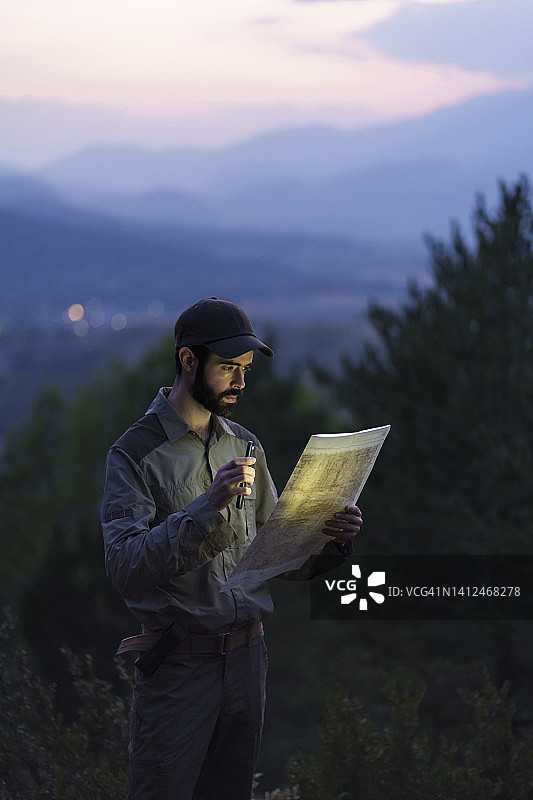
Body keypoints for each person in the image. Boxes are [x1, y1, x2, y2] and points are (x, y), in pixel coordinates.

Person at [101, 297, 363, 800]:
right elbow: (125, 566)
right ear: (187, 361)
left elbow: (272, 554)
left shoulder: (244, 444)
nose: (241, 382)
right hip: (181, 667)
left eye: (245, 370)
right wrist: (206, 507)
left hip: (248, 659)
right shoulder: (134, 454)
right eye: (229, 368)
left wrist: (334, 543)